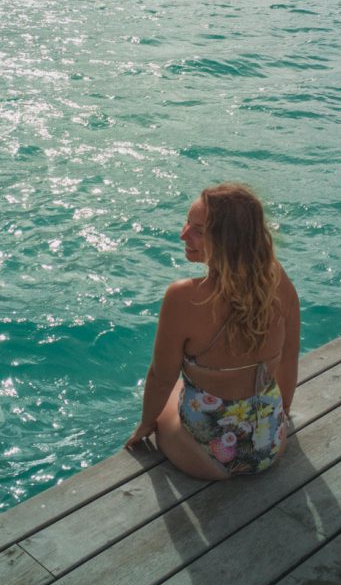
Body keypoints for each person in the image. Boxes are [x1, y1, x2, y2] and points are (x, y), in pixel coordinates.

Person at [125, 183, 300, 479]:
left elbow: (161, 376)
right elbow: (290, 357)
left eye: (198, 230)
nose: (183, 234)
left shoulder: (182, 297)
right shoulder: (275, 279)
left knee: (175, 389)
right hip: (270, 444)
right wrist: (281, 412)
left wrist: (145, 425)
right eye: (187, 224)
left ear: (228, 240)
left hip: (207, 458)